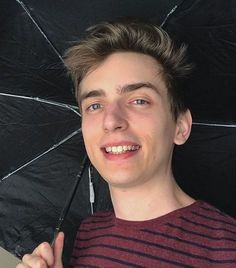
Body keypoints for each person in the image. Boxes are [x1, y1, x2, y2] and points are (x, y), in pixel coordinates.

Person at [17, 20, 236, 268]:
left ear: (180, 126)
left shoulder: (227, 251)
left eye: (139, 100)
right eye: (95, 105)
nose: (111, 121)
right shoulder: (89, 231)